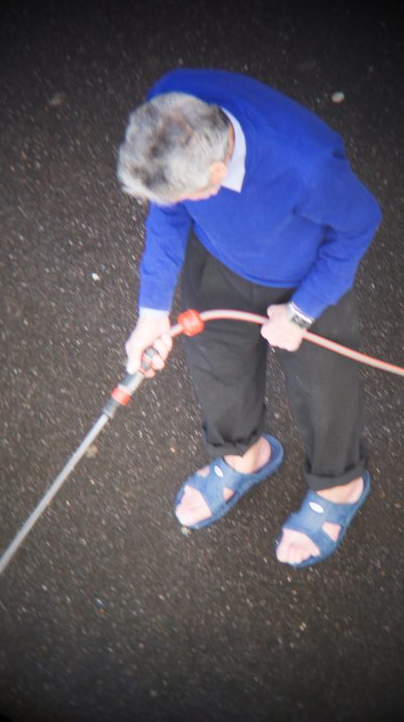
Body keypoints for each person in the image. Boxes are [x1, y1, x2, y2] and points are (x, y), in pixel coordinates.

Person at [116, 68, 382, 567]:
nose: (177, 203)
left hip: (306, 278)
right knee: (216, 365)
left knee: (324, 389)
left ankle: (340, 485)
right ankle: (243, 455)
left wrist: (302, 312)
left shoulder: (305, 166)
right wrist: (151, 311)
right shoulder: (168, 106)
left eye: (191, 192)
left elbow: (359, 226)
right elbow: (169, 211)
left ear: (219, 170)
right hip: (219, 258)